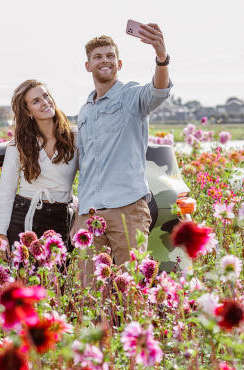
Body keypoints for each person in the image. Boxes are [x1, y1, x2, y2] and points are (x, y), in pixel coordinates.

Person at [72, 25, 172, 284]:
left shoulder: (131, 97)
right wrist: (80, 214)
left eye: (109, 56)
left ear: (119, 62)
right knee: (90, 292)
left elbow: (158, 91)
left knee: (131, 289)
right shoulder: (84, 111)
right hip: (90, 213)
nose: (104, 60)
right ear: (88, 66)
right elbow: (84, 165)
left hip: (127, 209)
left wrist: (161, 55)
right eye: (98, 57)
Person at [0, 80, 77, 251]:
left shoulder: (75, 138)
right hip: (24, 215)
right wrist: (0, 233)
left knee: (58, 276)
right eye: (36, 101)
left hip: (61, 217)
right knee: (22, 277)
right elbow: (6, 190)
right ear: (27, 111)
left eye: (46, 96)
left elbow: (91, 179)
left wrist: (82, 213)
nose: (45, 102)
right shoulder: (19, 144)